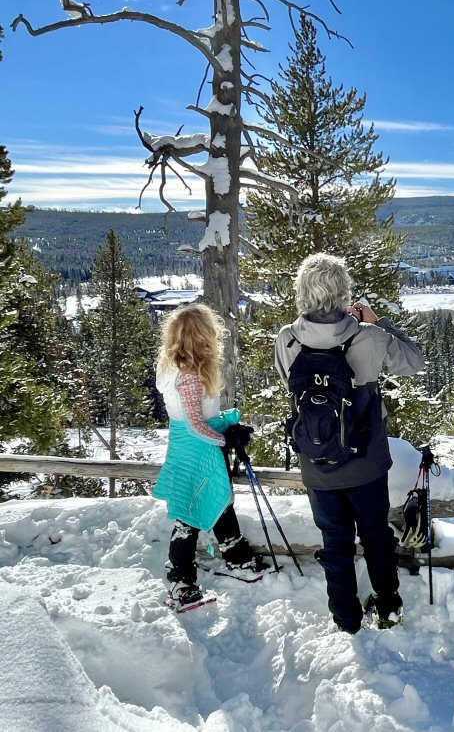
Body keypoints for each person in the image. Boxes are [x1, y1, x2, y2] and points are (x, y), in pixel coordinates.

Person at [274, 253, 425, 633]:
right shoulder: (368, 337)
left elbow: (286, 386)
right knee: (376, 534)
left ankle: (345, 617)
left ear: (302, 294)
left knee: (335, 541)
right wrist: (380, 324)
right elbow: (414, 362)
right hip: (367, 461)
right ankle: (388, 606)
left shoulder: (287, 339)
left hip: (318, 462)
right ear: (344, 293)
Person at [154, 303, 266, 608]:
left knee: (215, 500)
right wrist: (225, 439)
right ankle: (181, 584)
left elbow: (196, 416)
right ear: (202, 336)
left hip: (188, 449)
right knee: (190, 513)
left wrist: (227, 423)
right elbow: (194, 426)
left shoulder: (173, 367)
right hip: (197, 450)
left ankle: (236, 559)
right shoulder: (188, 376)